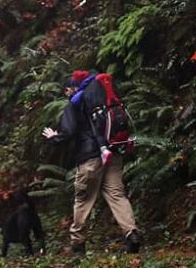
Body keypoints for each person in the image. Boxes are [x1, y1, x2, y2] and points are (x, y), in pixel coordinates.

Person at [42, 70, 141, 254]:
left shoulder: (75, 103)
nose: (66, 95)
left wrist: (54, 137)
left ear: (71, 88)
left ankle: (77, 242)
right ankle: (131, 233)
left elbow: (69, 132)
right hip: (113, 153)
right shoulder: (103, 96)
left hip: (90, 159)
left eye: (66, 91)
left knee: (83, 199)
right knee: (117, 195)